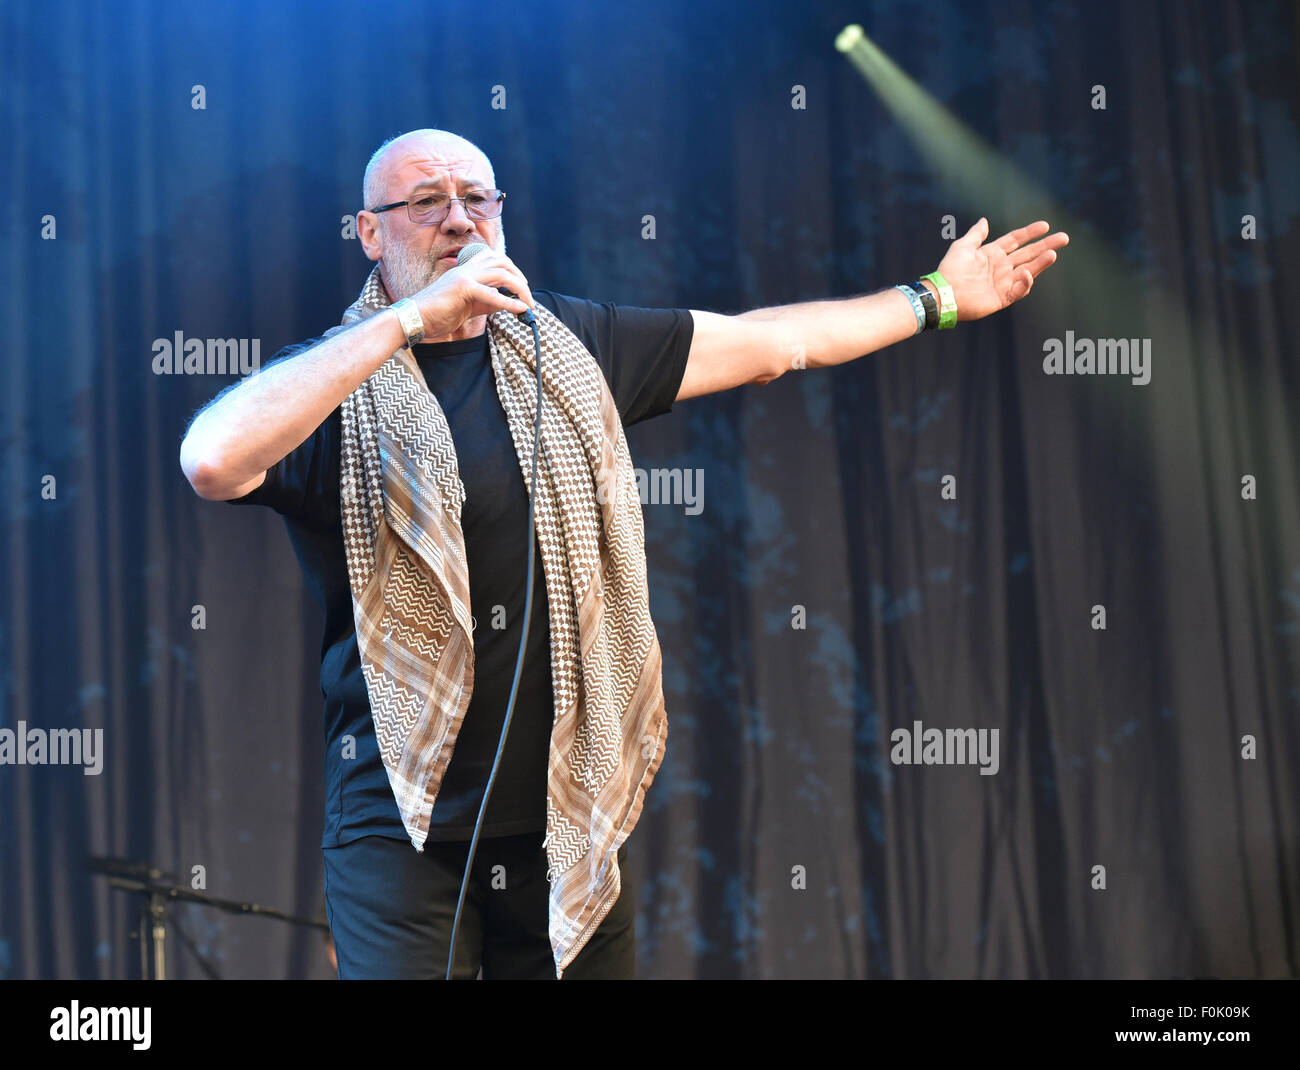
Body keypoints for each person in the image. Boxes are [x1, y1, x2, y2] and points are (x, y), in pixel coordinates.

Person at [179, 128, 1068, 980]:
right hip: (397, 826)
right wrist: (406, 323)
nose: (458, 218)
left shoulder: (578, 348)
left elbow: (764, 346)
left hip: (569, 814)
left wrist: (936, 298)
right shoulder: (337, 383)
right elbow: (213, 459)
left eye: (476, 198)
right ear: (370, 232)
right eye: (424, 201)